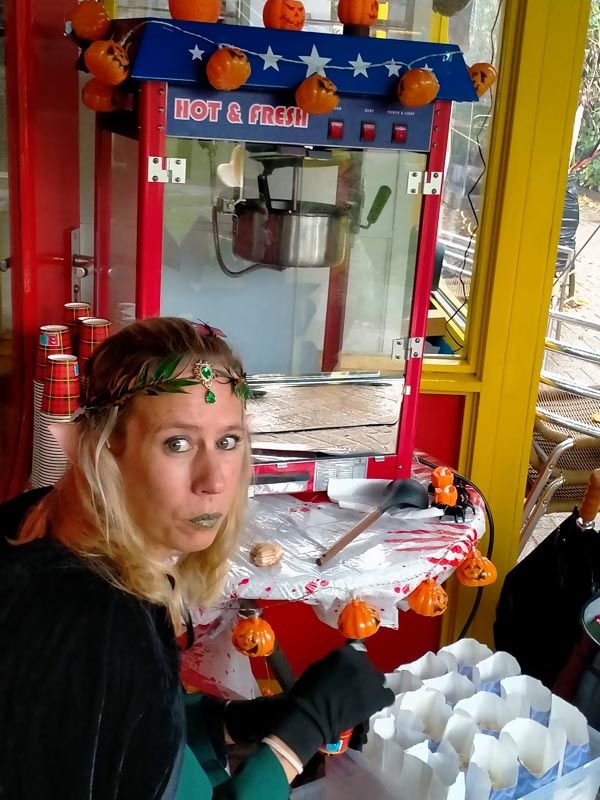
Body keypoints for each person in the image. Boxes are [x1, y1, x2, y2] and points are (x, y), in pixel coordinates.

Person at [0, 317, 393, 799]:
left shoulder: (42, 518)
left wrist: (239, 721)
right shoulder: (102, 627)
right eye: (177, 443)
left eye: (227, 441)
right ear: (107, 451)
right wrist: (294, 742)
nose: (214, 480)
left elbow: (128, 728)